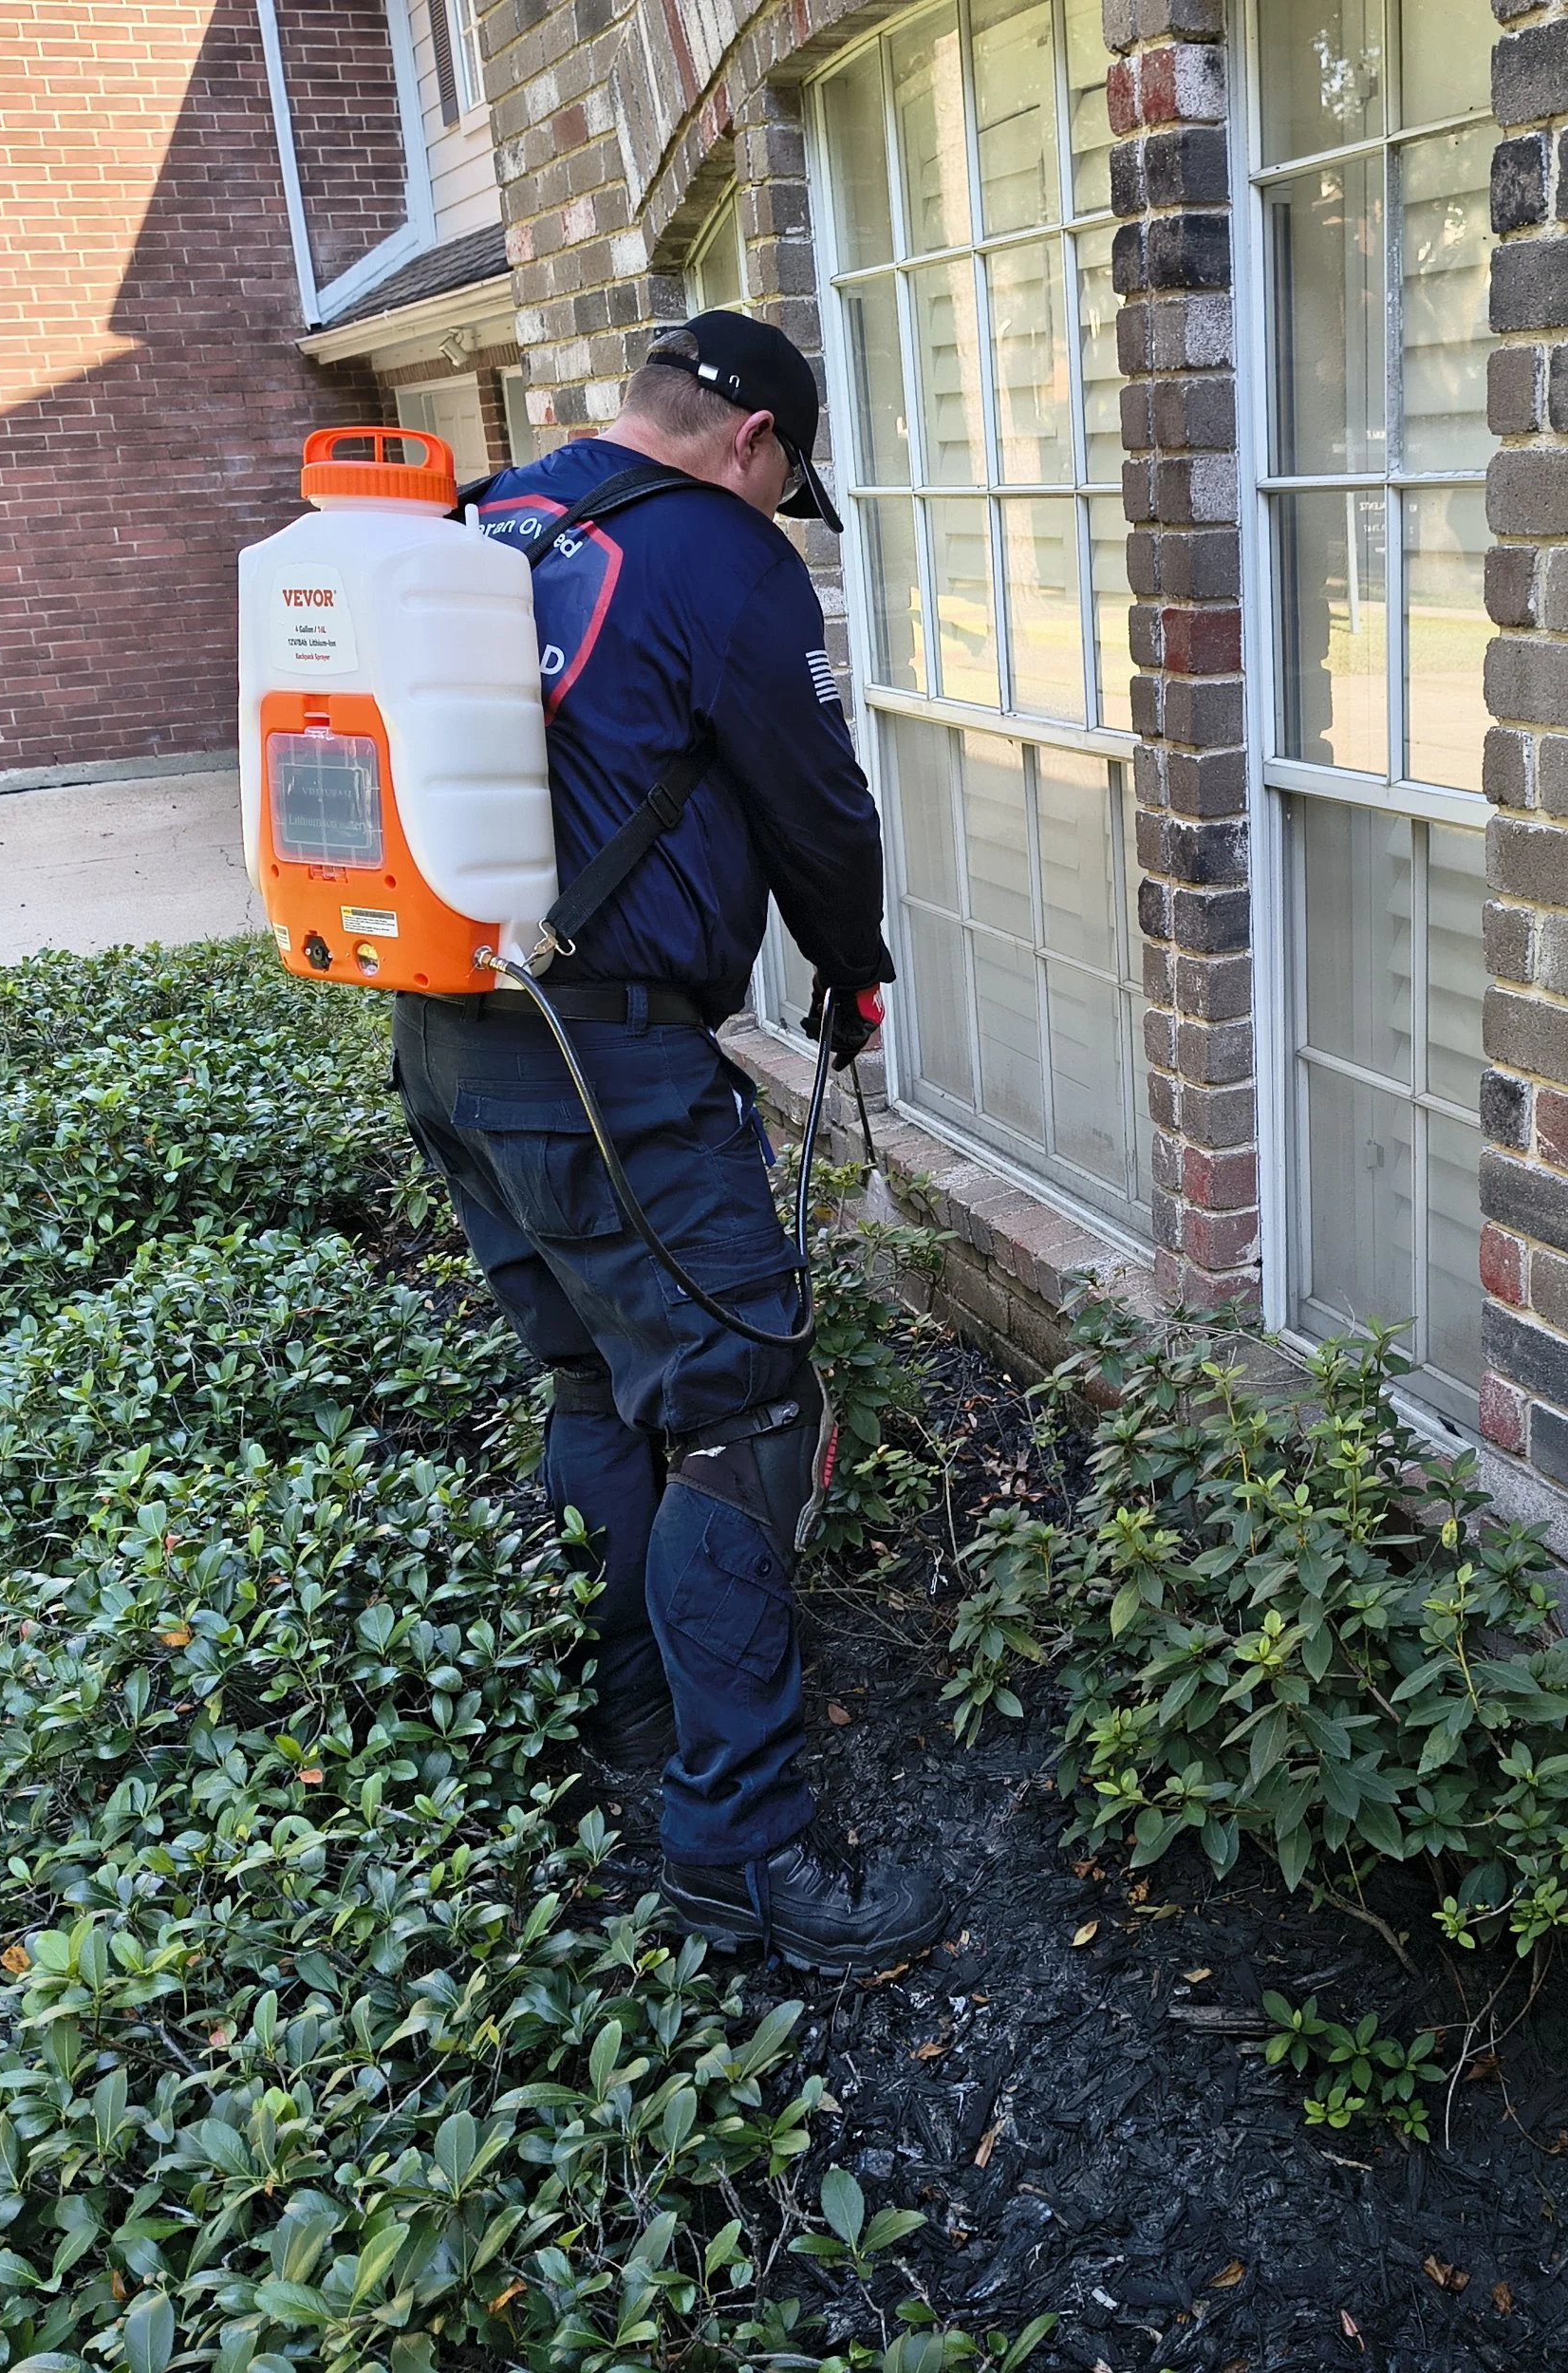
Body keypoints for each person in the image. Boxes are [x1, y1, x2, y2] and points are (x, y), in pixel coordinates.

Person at [389, 310, 945, 1972]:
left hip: (451, 1038)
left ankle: (634, 1717)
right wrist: (850, 965)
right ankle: (738, 1847)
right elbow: (814, 800)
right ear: (756, 442)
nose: (780, 510)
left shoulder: (488, 515)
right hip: (604, 1066)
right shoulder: (723, 555)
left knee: (594, 1382)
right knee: (743, 1413)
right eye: (785, 482)